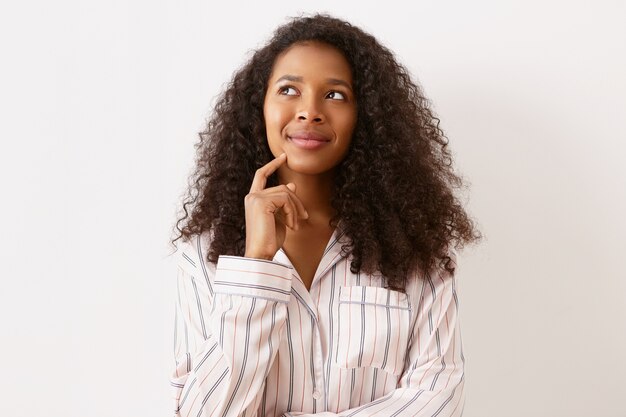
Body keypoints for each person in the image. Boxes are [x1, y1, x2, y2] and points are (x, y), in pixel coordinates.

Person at [169, 13, 481, 417]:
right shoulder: (202, 256)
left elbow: (438, 400)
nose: (309, 111)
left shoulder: (416, 251)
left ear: (364, 118)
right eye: (288, 90)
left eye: (334, 95)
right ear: (258, 108)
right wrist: (256, 265)